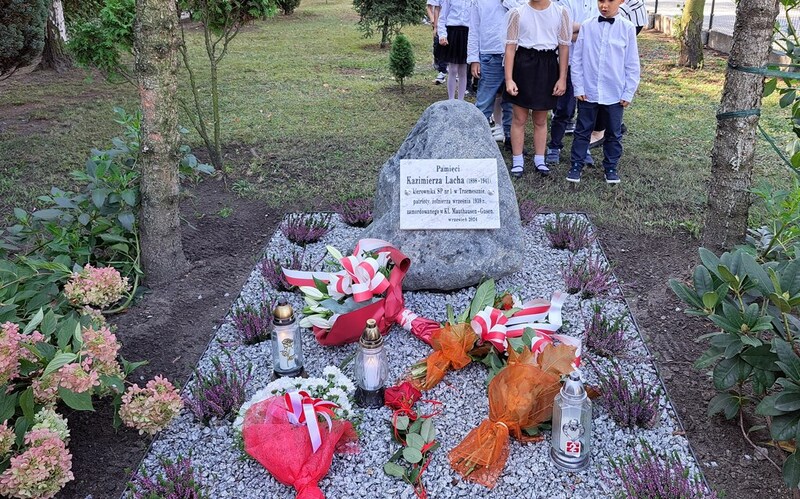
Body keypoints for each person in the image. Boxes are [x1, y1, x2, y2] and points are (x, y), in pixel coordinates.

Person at [566, 0, 640, 184]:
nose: (604, 5)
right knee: (583, 129)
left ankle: (611, 167)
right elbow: (577, 59)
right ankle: (576, 164)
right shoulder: (588, 26)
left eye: (609, 1)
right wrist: (579, 87)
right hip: (589, 90)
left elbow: (632, 63)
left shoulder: (627, 28)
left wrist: (628, 92)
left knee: (614, 132)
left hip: (614, 91)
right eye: (600, 1)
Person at [504, 0, 571, 177]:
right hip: (523, 64)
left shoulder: (560, 12)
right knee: (519, 118)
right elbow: (510, 47)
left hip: (547, 66)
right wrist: (509, 79)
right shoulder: (517, 13)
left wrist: (562, 78)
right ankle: (517, 160)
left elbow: (564, 48)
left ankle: (539, 159)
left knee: (541, 119)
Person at [545, 0, 598, 166]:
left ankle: (584, 147)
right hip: (566, 63)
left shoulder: (599, 3)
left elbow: (601, 33)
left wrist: (576, 30)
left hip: (591, 66)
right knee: (563, 109)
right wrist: (588, 29)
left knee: (587, 110)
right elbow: (560, 31)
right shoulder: (564, 2)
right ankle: (554, 146)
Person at [588, 0, 646, 148]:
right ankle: (609, 124)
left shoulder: (625, 24)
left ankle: (601, 129)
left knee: (611, 69)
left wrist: (617, 12)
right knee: (601, 70)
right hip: (608, 15)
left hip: (625, 16)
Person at [467, 0, 514, 147]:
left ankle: (511, 139)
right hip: (489, 55)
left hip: (515, 55)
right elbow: (473, 29)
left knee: (511, 102)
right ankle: (475, 139)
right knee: (484, 100)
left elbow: (524, 13)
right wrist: (474, 58)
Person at [438, 0, 472, 100]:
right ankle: (451, 99)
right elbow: (442, 17)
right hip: (453, 32)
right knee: (453, 68)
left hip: (467, 33)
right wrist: (442, 34)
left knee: (463, 69)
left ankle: (461, 100)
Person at [427, 0, 449, 85]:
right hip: (439, 23)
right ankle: (442, 69)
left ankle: (444, 71)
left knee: (450, 48)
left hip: (452, 23)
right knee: (437, 48)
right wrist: (434, 24)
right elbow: (432, 8)